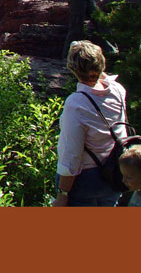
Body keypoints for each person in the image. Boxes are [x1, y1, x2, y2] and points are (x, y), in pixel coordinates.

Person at [53, 41, 128, 207]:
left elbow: (71, 156)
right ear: (101, 64)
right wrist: (95, 64)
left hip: (86, 180)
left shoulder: (76, 104)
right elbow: (104, 78)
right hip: (115, 173)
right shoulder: (118, 90)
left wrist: (62, 194)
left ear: (72, 69)